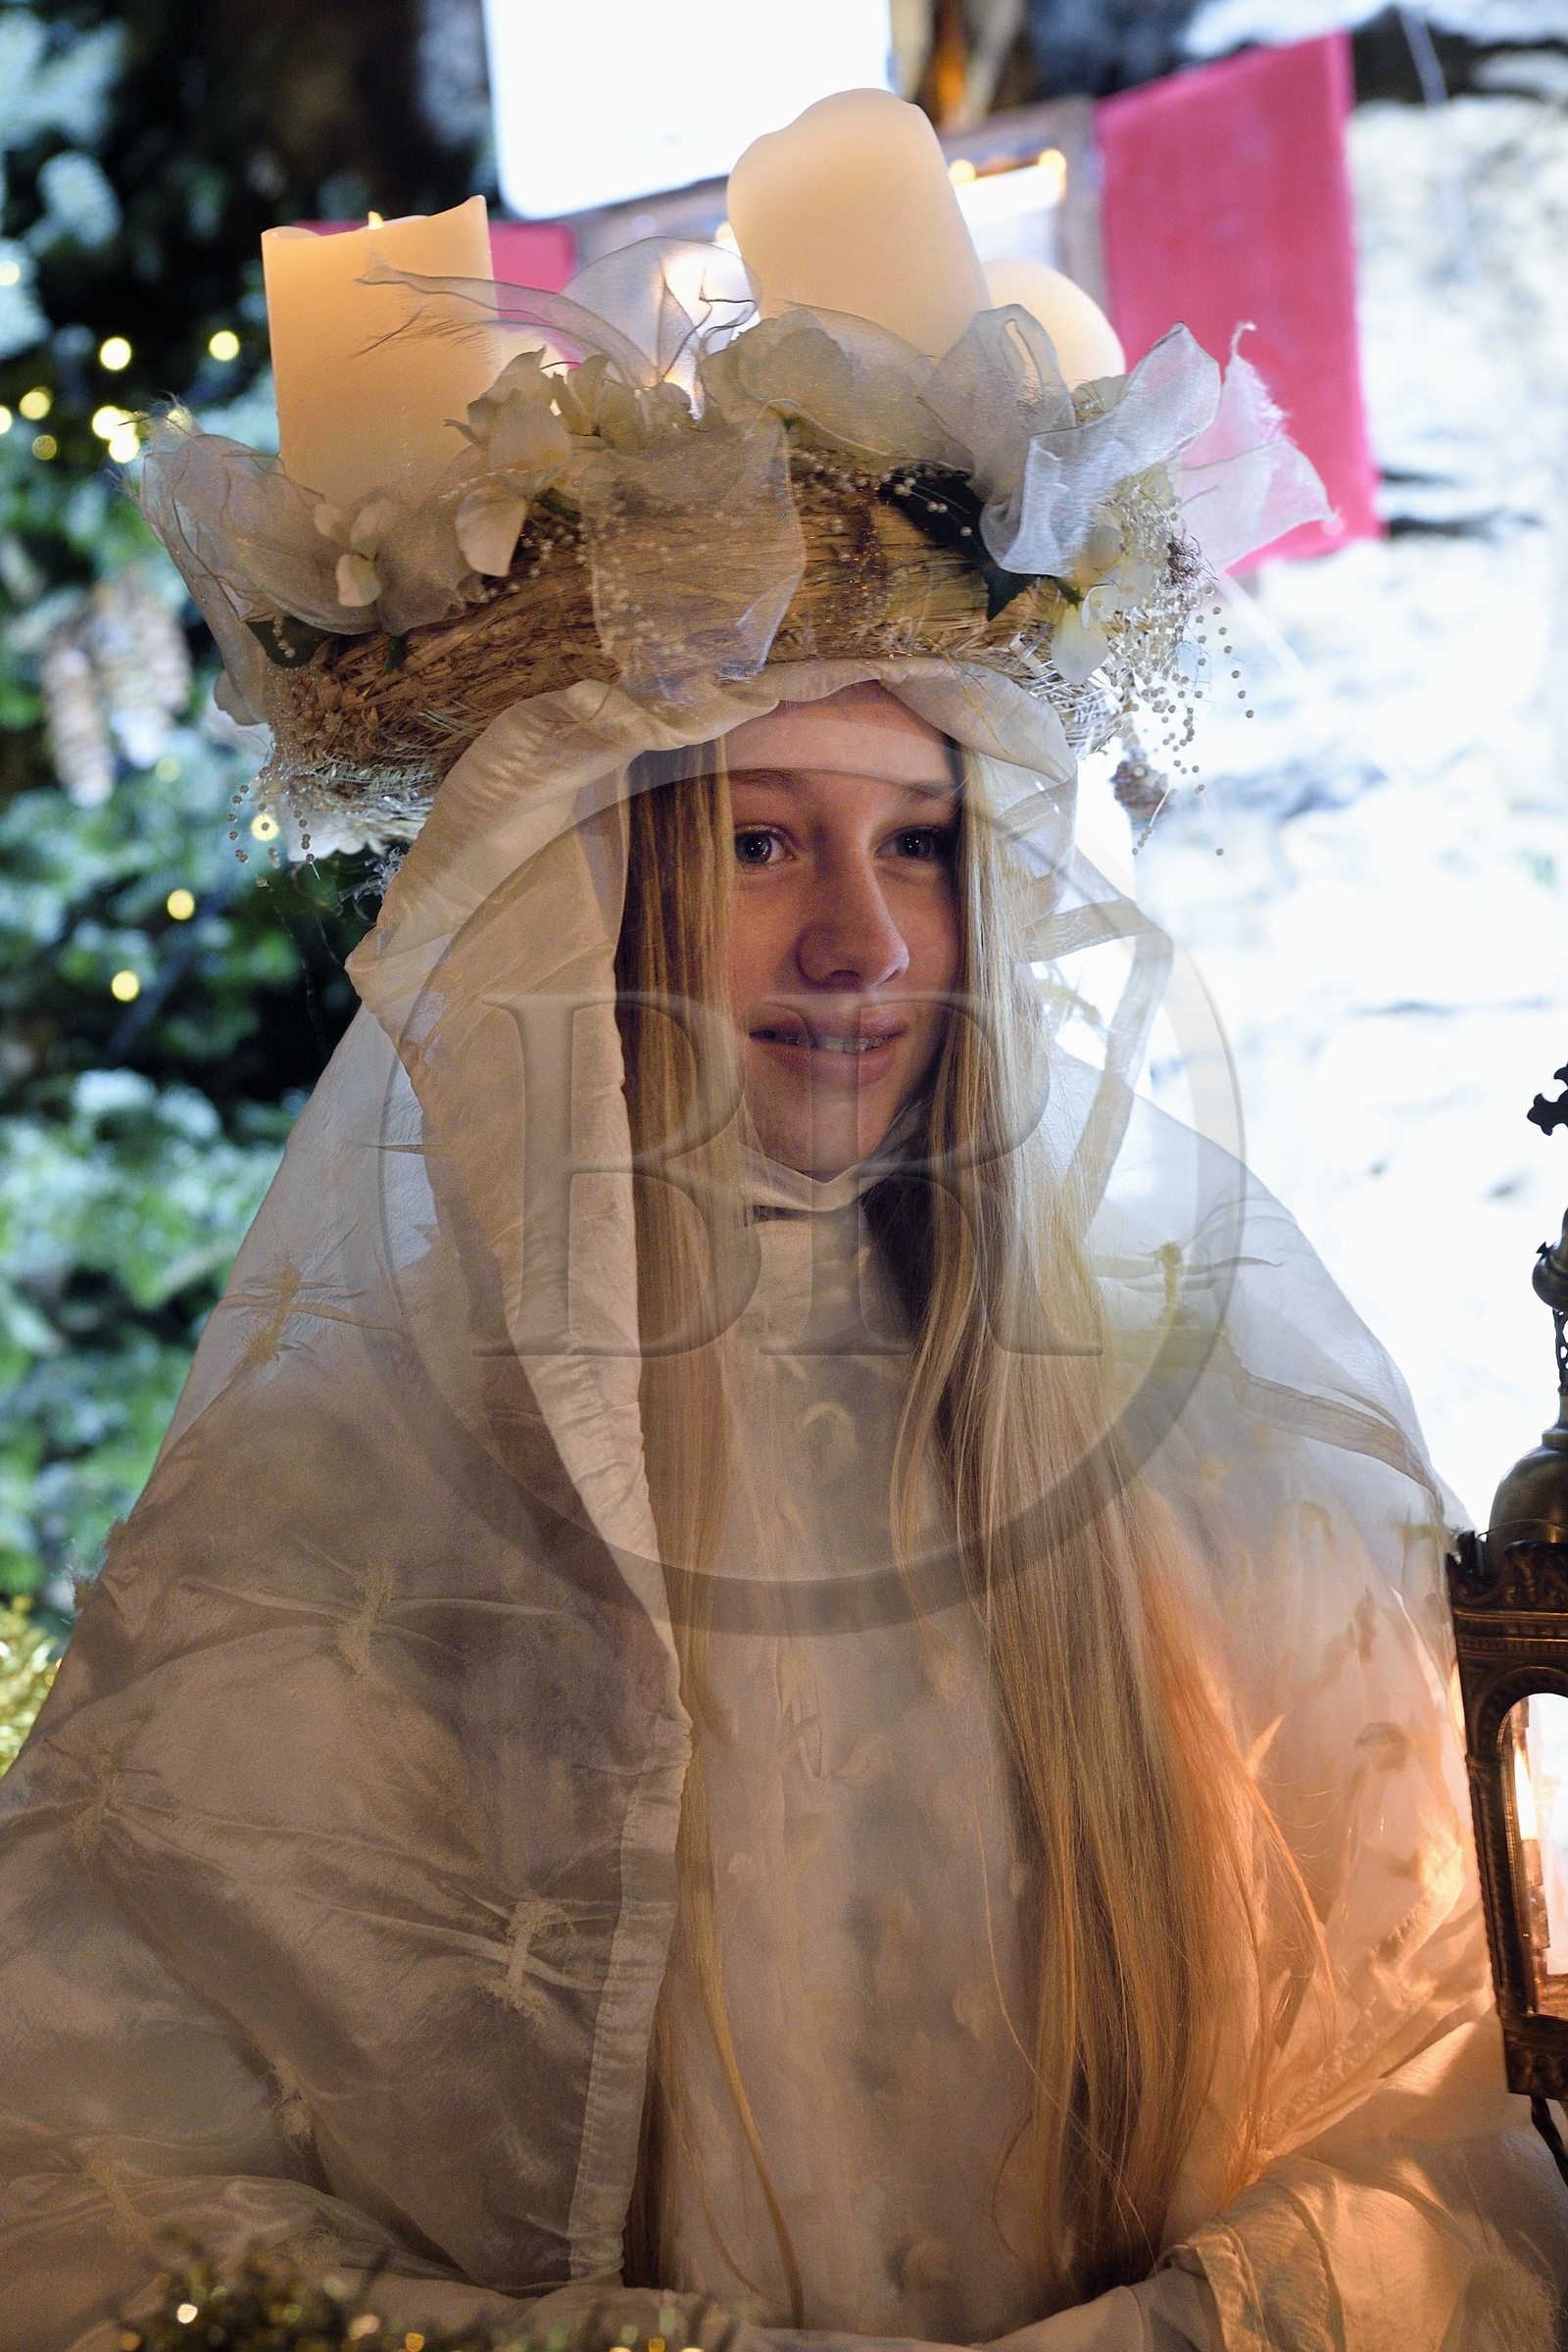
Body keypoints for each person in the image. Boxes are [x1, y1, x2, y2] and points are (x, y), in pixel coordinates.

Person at [4, 97, 1567, 2352]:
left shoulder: (1188, 1468)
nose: (859, 941)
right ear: (603, 908)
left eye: (916, 847)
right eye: (758, 851)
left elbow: (1426, 2098)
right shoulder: (352, 1498)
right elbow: (95, 2193)